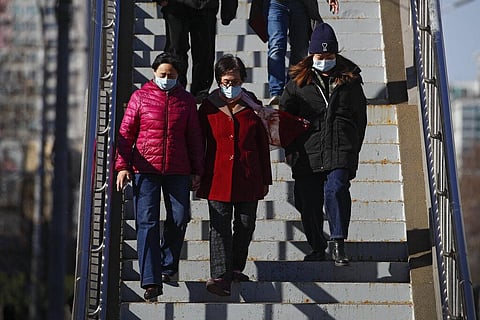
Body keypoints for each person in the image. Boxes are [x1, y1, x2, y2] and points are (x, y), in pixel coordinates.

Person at [115, 52, 204, 301]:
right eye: (163, 75)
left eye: (172, 76)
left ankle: (167, 264)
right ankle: (151, 280)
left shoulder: (185, 101)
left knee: (179, 217)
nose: (167, 79)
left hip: (178, 169)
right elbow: (126, 133)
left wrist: (198, 170)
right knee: (147, 222)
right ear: (154, 73)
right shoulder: (140, 97)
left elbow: (195, 138)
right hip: (146, 170)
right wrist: (122, 166)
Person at [279, 23, 367, 266]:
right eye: (320, 56)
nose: (324, 60)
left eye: (329, 56)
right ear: (311, 55)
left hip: (340, 148)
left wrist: (353, 149)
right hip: (307, 150)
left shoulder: (350, 81)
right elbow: (284, 119)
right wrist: (289, 149)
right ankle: (317, 246)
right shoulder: (297, 83)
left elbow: (360, 118)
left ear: (336, 55)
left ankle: (338, 242)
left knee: (336, 189)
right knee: (308, 202)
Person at [196, 54, 272, 296]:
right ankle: (219, 275)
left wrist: (266, 179)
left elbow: (262, 145)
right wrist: (196, 173)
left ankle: (236, 268)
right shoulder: (208, 106)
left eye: (235, 81)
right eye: (226, 81)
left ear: (243, 80)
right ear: (219, 81)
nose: (230, 86)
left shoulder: (253, 106)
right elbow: (199, 143)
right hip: (216, 175)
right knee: (219, 226)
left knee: (245, 224)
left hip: (249, 175)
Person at [249, 0, 339, 106]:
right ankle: (276, 91)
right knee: (276, 46)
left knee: (300, 50)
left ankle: (292, 89)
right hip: (275, 3)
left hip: (300, 4)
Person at [155, 0, 238, 103]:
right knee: (175, 51)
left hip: (205, 6)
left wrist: (228, 11)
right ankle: (174, 91)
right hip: (175, 5)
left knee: (204, 51)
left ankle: (200, 95)